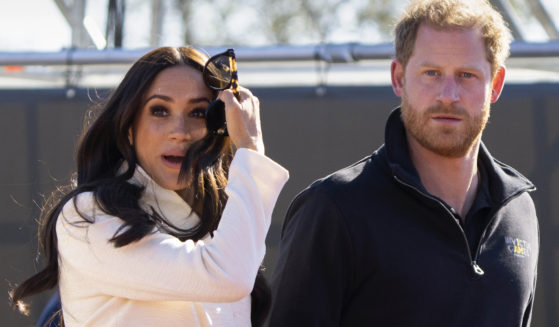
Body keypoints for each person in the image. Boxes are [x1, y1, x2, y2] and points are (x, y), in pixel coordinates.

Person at [269, 0, 539, 326]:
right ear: (399, 78)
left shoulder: (519, 211)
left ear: (495, 85)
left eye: (466, 75)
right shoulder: (334, 209)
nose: (448, 94)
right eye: (431, 73)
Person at [11, 46, 289, 326]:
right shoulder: (88, 216)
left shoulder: (225, 226)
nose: (179, 132)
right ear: (129, 126)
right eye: (160, 110)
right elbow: (226, 275)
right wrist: (251, 149)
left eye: (197, 113)